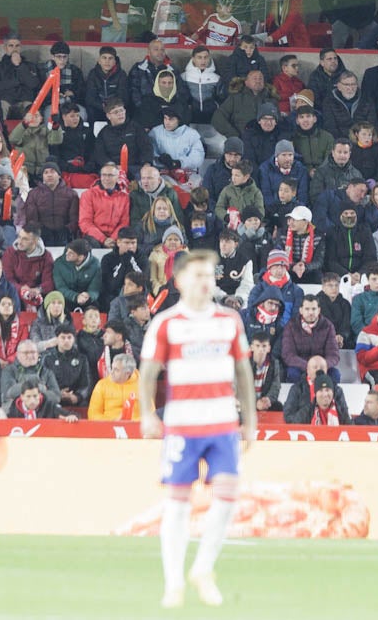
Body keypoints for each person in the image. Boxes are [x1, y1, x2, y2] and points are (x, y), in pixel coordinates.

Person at [138, 250, 256, 608]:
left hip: (222, 422)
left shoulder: (230, 320)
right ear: (180, 280)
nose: (205, 281)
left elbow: (243, 372)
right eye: (198, 275)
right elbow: (147, 373)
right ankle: (173, 582)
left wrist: (250, 420)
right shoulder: (167, 323)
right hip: (182, 424)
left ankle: (203, 568)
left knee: (227, 496)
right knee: (177, 503)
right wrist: (147, 414)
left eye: (210, 275)